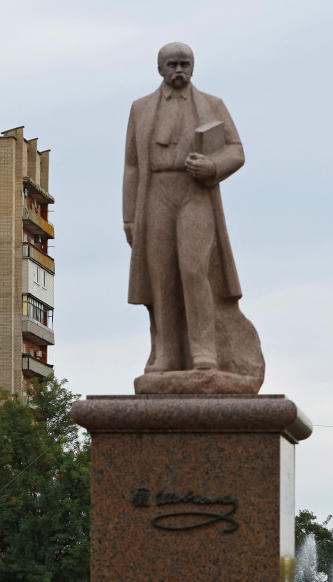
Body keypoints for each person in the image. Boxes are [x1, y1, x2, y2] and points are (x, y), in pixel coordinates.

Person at [123, 42, 264, 392]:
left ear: (194, 67)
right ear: (160, 68)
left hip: (195, 193)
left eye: (185, 64)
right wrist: (129, 216)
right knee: (162, 274)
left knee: (193, 269)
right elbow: (131, 165)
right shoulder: (140, 109)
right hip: (156, 192)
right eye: (172, 64)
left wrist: (213, 165)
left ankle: (204, 351)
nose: (179, 71)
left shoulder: (212, 105)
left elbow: (236, 149)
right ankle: (166, 353)